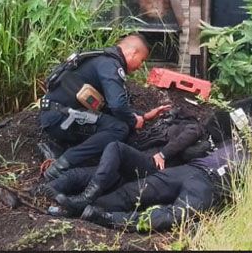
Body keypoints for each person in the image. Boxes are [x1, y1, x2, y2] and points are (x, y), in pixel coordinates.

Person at [64, 98, 252, 233]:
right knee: (133, 192)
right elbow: (225, 117)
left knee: (174, 216)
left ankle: (109, 218)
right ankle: (83, 208)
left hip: (210, 186)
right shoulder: (225, 137)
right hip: (188, 170)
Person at [39, 34, 169, 179]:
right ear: (133, 53)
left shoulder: (102, 59)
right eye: (141, 60)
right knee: (119, 128)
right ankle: (60, 166)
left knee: (115, 124)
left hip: (59, 115)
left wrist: (143, 116)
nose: (140, 66)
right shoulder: (110, 65)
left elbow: (106, 106)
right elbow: (117, 106)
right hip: (60, 119)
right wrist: (133, 121)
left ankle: (63, 152)